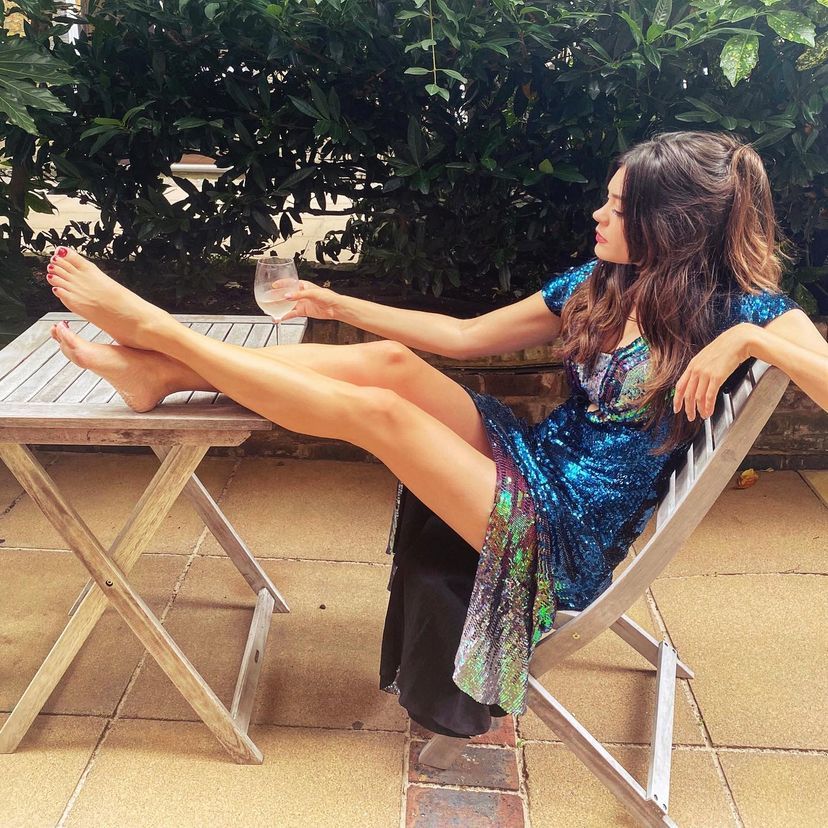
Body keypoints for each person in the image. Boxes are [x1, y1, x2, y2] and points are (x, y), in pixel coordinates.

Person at [44, 131, 828, 736]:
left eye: (618, 208)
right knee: (389, 365)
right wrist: (337, 305)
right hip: (537, 460)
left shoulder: (745, 310)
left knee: (383, 417)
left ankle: (163, 337)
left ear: (672, 225)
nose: (599, 214)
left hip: (562, 532)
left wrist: (748, 341)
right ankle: (163, 372)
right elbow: (462, 337)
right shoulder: (604, 283)